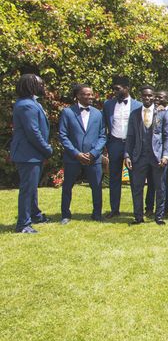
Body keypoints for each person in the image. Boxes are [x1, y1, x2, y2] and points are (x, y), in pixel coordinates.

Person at [10, 73, 53, 234]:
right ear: (30, 86)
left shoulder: (30, 102)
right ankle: (23, 224)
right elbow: (32, 132)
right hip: (28, 154)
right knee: (28, 188)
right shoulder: (26, 105)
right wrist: (46, 148)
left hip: (32, 154)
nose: (43, 87)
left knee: (32, 187)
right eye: (40, 84)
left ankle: (35, 214)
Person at [58, 84, 107, 224]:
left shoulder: (98, 113)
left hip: (93, 158)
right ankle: (65, 214)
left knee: (97, 187)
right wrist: (76, 153)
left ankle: (97, 214)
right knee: (67, 186)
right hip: (73, 158)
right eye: (86, 94)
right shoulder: (68, 112)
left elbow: (103, 136)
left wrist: (94, 153)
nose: (90, 96)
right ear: (78, 95)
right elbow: (63, 136)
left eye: (91, 94)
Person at [124, 85, 168, 225]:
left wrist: (166, 155)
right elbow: (130, 136)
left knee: (160, 187)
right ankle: (138, 217)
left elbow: (167, 136)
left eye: (150, 96)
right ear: (141, 97)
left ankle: (159, 217)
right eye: (145, 95)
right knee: (137, 188)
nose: (147, 98)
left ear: (154, 97)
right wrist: (127, 155)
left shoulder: (162, 113)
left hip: (157, 157)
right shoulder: (135, 114)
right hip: (139, 156)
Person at [102, 76, 142, 218]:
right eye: (113, 88)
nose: (114, 91)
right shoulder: (108, 105)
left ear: (127, 88)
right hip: (115, 144)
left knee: (135, 178)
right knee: (114, 178)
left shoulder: (138, 105)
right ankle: (114, 209)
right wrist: (106, 144)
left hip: (132, 146)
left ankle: (137, 211)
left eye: (117, 88)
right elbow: (105, 125)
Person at [145, 90, 168, 217]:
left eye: (161, 97)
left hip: (165, 154)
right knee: (151, 183)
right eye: (156, 96)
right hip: (151, 154)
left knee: (165, 183)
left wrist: (165, 134)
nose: (158, 98)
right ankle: (148, 208)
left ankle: (164, 209)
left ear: (167, 100)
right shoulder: (150, 112)